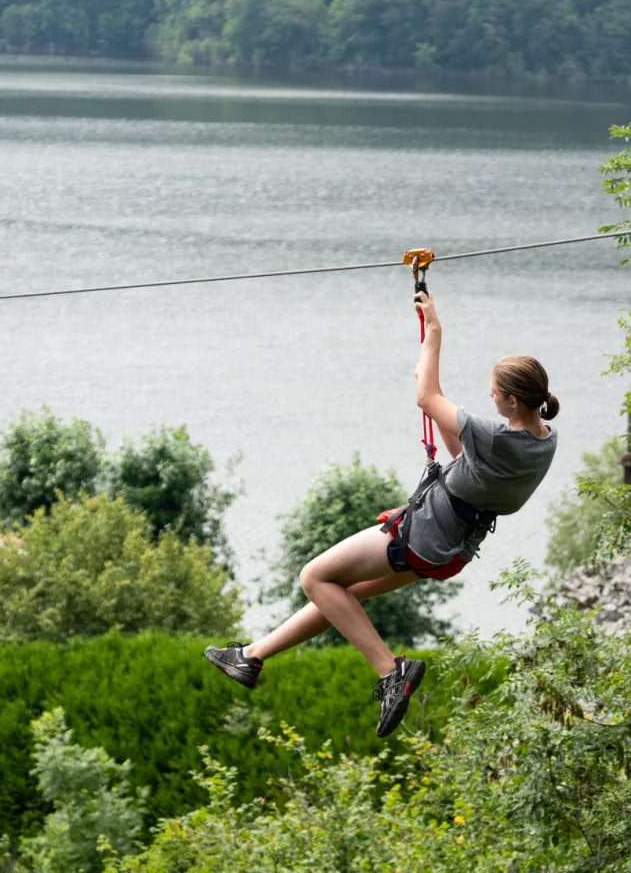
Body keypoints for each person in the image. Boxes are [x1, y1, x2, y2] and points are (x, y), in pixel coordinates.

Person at [204, 288, 559, 737]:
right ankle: (251, 657)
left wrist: (433, 332)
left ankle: (391, 672)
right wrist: (435, 393)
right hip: (452, 550)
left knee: (314, 578)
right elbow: (468, 454)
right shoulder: (544, 441)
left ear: (510, 402)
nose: (489, 394)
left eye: (494, 391)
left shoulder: (496, 436)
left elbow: (425, 398)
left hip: (423, 536)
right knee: (339, 597)